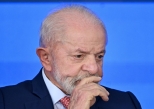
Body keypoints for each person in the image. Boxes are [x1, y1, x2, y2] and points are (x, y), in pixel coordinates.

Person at [0, 5, 141, 109]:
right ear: (46, 58)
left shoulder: (126, 103)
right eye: (79, 56)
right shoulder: (6, 102)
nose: (93, 68)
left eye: (99, 56)